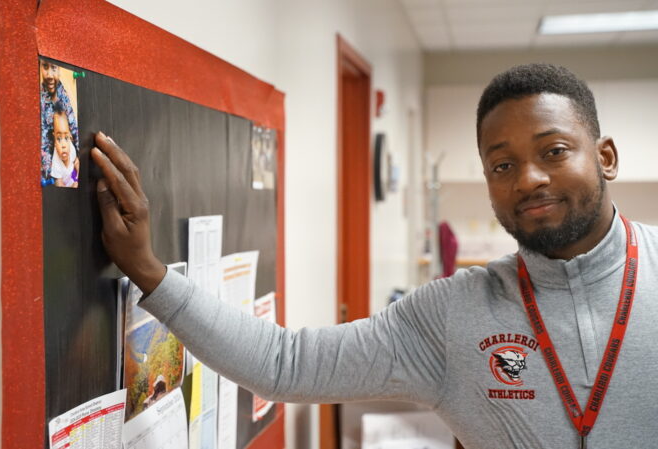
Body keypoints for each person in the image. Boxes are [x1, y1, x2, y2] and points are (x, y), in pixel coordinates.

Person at [90, 64, 658, 449]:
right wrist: (148, 270)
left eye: (554, 151)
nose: (529, 179)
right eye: (502, 165)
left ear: (605, 156)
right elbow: (284, 364)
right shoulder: (453, 314)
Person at [40, 59, 78, 183]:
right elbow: (44, 141)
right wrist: (48, 173)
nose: (50, 75)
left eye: (54, 68)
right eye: (45, 67)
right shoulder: (40, 101)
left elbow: (73, 126)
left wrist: (79, 154)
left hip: (67, 158)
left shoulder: (63, 94)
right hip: (53, 164)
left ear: (59, 70)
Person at [50, 102, 79, 188]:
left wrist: (76, 177)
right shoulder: (56, 163)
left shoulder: (71, 147)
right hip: (66, 185)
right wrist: (72, 187)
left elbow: (76, 161)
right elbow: (59, 186)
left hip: (73, 176)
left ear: (70, 135)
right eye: (59, 139)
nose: (64, 145)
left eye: (66, 138)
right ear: (54, 139)